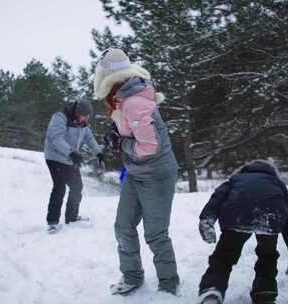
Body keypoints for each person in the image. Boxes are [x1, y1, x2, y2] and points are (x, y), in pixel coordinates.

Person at [93, 48, 180, 295]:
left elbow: (149, 146)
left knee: (155, 233)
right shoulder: (125, 97)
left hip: (156, 174)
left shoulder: (134, 102)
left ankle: (168, 283)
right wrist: (117, 133)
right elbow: (134, 130)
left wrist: (122, 143)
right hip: (136, 171)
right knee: (123, 226)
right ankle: (132, 275)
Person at [197, 160, 288, 304]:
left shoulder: (236, 179)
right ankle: (265, 294)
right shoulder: (277, 184)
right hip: (270, 216)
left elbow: (217, 198)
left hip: (237, 215)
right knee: (267, 256)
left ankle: (212, 291)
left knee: (223, 257)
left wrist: (207, 220)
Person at [43, 100, 104, 233]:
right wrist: (71, 152)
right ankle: (52, 222)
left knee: (77, 187)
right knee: (59, 187)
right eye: (85, 116)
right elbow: (55, 138)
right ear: (77, 113)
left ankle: (71, 217)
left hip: (70, 159)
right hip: (54, 157)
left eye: (88, 117)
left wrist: (98, 153)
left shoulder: (83, 124)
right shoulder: (60, 117)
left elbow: (89, 138)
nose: (86, 119)